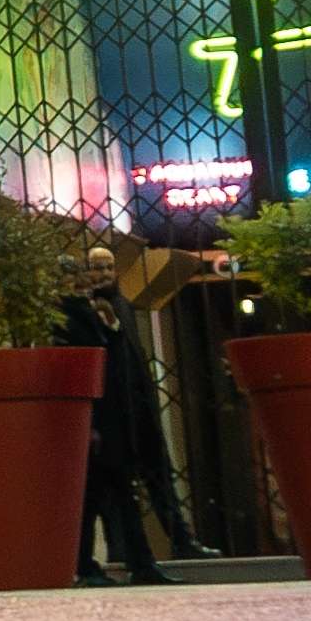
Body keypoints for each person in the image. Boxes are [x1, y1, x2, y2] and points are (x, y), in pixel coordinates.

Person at [70, 230, 208, 590]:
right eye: (94, 268)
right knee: (106, 493)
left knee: (137, 483)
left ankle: (158, 551)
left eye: (107, 266)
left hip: (134, 411)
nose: (101, 274)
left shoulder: (121, 306)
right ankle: (110, 563)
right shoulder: (83, 313)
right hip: (110, 418)